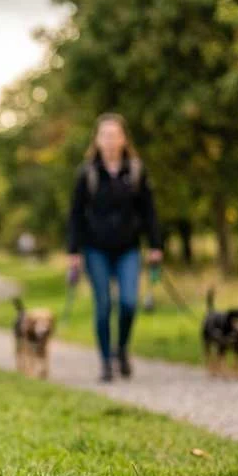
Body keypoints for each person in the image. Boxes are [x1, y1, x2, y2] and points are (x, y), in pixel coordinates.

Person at [67, 113, 163, 382]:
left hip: (128, 248)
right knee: (103, 304)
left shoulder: (135, 171)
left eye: (114, 135)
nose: (109, 140)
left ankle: (121, 348)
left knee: (129, 302)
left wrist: (156, 245)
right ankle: (106, 361)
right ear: (97, 140)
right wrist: (73, 251)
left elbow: (149, 211)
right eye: (104, 135)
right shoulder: (87, 173)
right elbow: (75, 214)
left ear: (123, 139)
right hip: (95, 248)